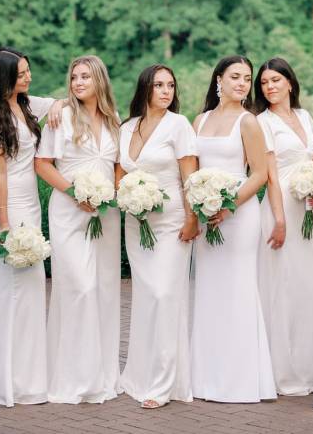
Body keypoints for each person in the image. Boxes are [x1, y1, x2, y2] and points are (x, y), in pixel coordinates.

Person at [0, 47, 63, 406]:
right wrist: (5, 225)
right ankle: (7, 382)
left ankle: (30, 375)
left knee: (31, 288)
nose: (28, 78)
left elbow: (60, 102)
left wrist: (56, 105)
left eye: (28, 71)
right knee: (11, 288)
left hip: (31, 202)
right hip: (7, 205)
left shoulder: (25, 105)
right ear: (4, 78)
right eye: (21, 74)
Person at [35, 55, 122, 404]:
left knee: (103, 290)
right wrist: (75, 192)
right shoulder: (62, 117)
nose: (78, 83)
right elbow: (42, 164)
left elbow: (118, 167)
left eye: (86, 76)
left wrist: (118, 193)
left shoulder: (115, 120)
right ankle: (73, 377)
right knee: (79, 288)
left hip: (106, 214)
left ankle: (102, 375)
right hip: (69, 212)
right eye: (74, 77)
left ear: (99, 79)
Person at [190, 55, 276, 403]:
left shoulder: (249, 122)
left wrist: (227, 205)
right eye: (235, 77)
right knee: (209, 290)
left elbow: (259, 174)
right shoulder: (199, 120)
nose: (242, 83)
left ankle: (240, 381)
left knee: (238, 289)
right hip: (205, 216)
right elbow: (192, 171)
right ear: (219, 80)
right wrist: (201, 205)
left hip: (239, 217)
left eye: (247, 78)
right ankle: (206, 379)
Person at [117, 65, 199, 408]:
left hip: (173, 223)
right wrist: (126, 199)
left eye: (170, 85)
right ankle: (139, 374)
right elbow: (119, 174)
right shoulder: (126, 128)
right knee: (148, 295)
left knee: (166, 294)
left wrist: (193, 218)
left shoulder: (178, 126)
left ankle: (164, 384)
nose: (166, 91)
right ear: (145, 89)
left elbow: (189, 177)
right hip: (137, 224)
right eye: (158, 85)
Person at [254, 57, 313, 397]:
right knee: (282, 287)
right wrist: (279, 220)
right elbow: (269, 176)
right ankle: (283, 372)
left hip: (310, 207)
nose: (269, 87)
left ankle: (310, 367)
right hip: (281, 209)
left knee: (310, 286)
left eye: (275, 80)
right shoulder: (262, 122)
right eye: (264, 82)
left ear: (290, 83)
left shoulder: (307, 117)